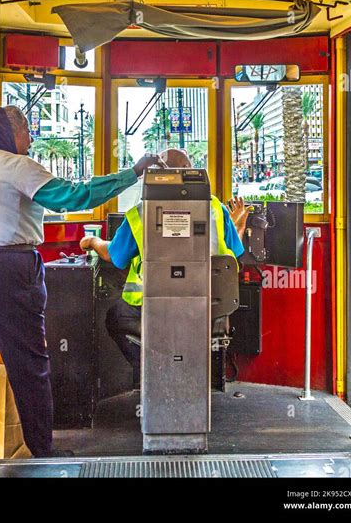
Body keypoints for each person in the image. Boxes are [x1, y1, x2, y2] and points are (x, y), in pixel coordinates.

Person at [0, 105, 164, 459]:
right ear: (6, 133)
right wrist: (132, 174)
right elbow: (73, 196)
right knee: (30, 362)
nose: (31, 137)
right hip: (9, 267)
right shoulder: (14, 166)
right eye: (24, 128)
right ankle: (42, 451)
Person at [79, 148, 250, 388]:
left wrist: (92, 241)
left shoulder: (140, 214)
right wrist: (238, 226)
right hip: (207, 312)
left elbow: (114, 256)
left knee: (115, 317)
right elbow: (232, 261)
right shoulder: (217, 210)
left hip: (155, 312)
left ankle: (152, 373)